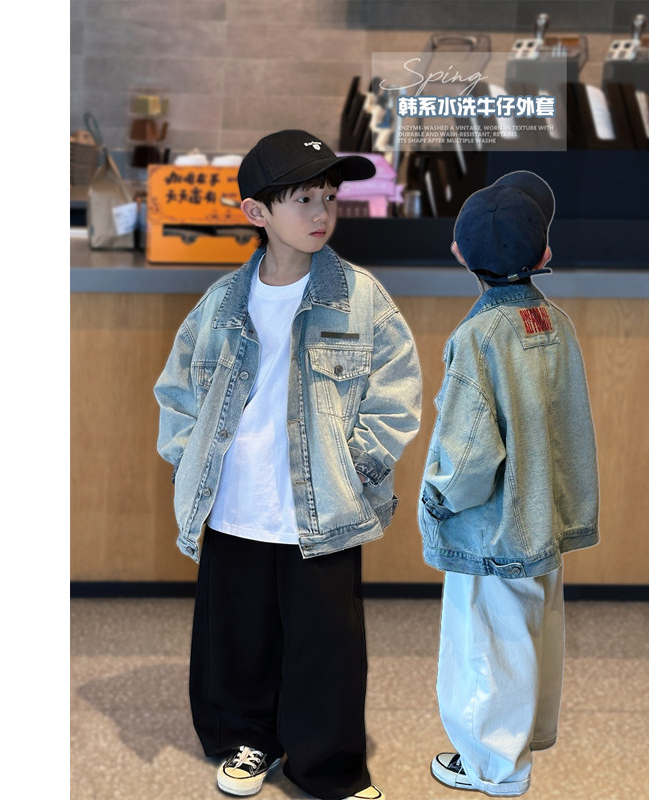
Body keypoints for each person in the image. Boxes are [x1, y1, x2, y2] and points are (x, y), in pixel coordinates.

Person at [154, 129, 422, 800]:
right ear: (257, 212)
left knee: (325, 644)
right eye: (303, 198)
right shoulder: (222, 302)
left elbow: (396, 393)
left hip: (322, 503)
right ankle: (247, 740)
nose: (321, 212)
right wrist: (192, 465)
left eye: (329, 196)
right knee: (238, 636)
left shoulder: (361, 296)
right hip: (236, 501)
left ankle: (327, 767)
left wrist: (356, 467)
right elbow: (179, 392)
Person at [417, 171, 600, 796]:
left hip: (494, 526)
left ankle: (494, 767)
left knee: (487, 645)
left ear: (458, 253)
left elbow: (469, 450)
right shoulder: (555, 323)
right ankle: (522, 741)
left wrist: (438, 500)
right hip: (545, 513)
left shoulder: (477, 337)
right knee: (533, 634)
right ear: (544, 255)